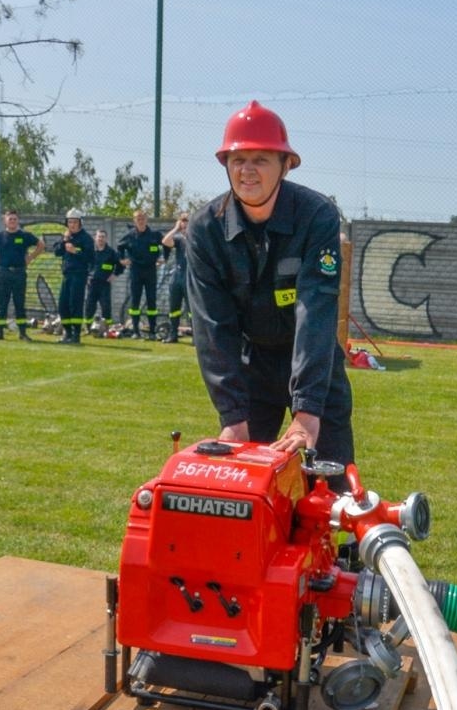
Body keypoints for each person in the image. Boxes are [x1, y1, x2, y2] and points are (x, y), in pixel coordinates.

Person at [186, 101, 353, 463]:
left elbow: (316, 309)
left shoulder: (316, 216)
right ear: (225, 165)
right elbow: (213, 327)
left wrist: (307, 413)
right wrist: (233, 417)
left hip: (314, 363)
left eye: (261, 159)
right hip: (251, 369)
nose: (247, 171)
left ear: (286, 165)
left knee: (330, 489)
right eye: (238, 160)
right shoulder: (205, 229)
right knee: (245, 487)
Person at [0, 209, 43, 340]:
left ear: (18, 221)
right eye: (10, 219)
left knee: (20, 304)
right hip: (3, 273)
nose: (12, 221)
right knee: (2, 304)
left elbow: (41, 245)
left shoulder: (24, 236)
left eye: (14, 219)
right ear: (5, 221)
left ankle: (23, 333)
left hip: (19, 273)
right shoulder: (0, 236)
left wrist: (30, 258)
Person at [118, 208, 166, 338]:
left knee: (152, 301)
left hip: (151, 270)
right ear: (134, 221)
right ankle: (136, 331)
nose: (140, 221)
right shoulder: (130, 235)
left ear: (147, 220)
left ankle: (152, 331)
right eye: (138, 219)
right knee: (135, 302)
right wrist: (122, 259)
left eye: (143, 218)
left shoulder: (155, 235)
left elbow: (166, 244)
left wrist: (163, 258)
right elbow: (119, 247)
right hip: (136, 271)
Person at [56, 208, 94, 345]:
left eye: (74, 222)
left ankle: (76, 335)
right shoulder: (67, 237)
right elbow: (57, 252)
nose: (72, 224)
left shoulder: (86, 238)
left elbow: (90, 257)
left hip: (79, 275)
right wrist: (64, 240)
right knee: (63, 305)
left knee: (75, 304)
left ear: (80, 223)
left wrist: (75, 251)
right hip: (67, 274)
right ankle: (68, 333)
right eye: (70, 222)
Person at [161, 212, 191, 343]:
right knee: (174, 308)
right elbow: (165, 241)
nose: (184, 223)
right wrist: (175, 228)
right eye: (182, 221)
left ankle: (196, 337)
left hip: (190, 276)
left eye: (186, 220)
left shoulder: (197, 237)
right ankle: (173, 335)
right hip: (177, 276)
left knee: (192, 310)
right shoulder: (178, 238)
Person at [84, 228, 120, 333]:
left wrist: (114, 275)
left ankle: (106, 329)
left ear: (106, 239)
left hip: (104, 284)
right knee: (89, 306)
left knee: (106, 307)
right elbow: (84, 265)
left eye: (103, 237)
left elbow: (120, 265)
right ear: (95, 238)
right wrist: (86, 277)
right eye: (99, 236)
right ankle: (88, 328)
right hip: (92, 283)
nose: (100, 239)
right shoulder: (90, 252)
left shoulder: (111, 252)